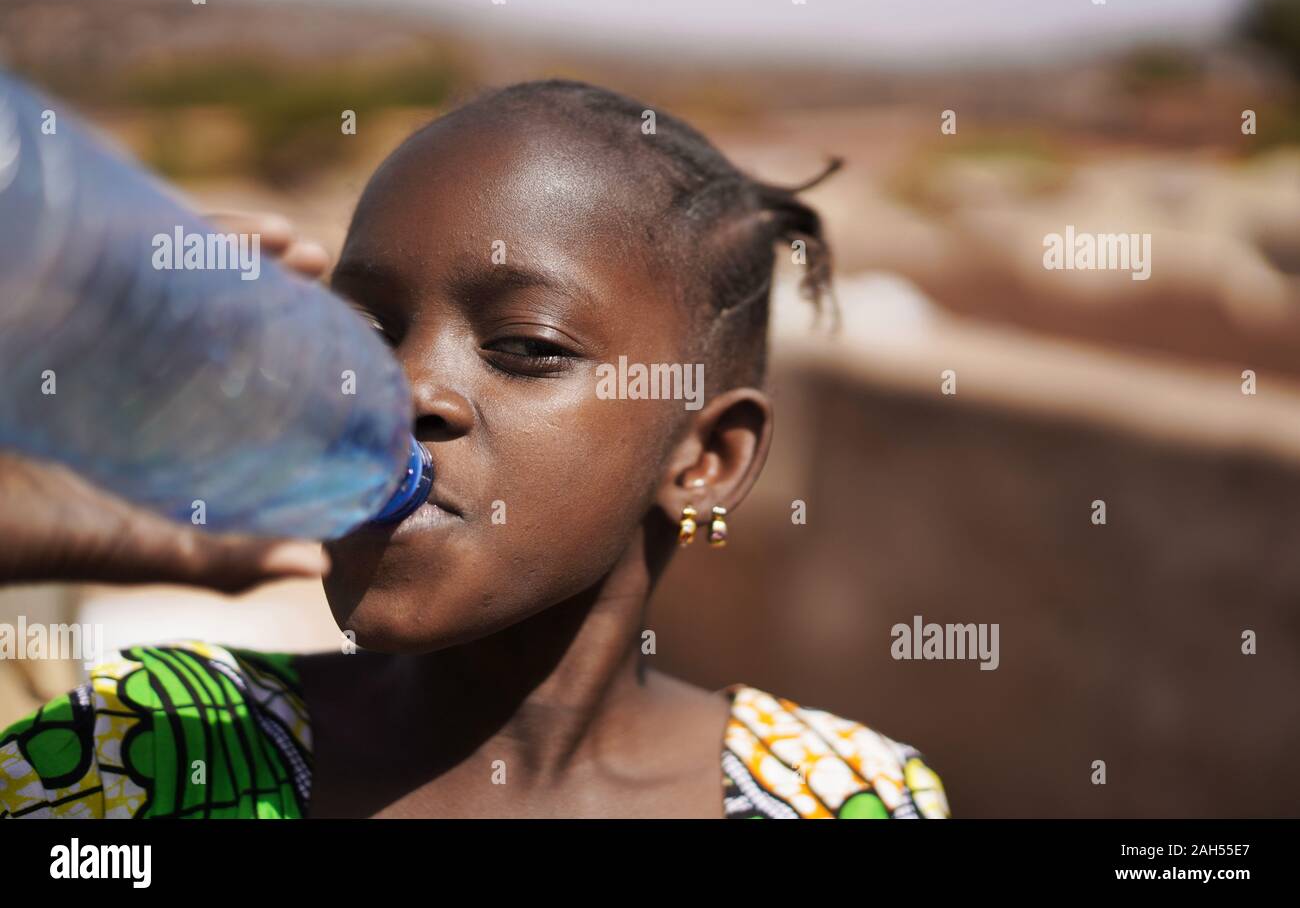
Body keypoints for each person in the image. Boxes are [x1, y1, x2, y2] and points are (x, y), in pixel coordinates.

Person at [0, 80, 950, 819]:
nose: (406, 390)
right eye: (364, 333)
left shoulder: (840, 793)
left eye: (527, 348)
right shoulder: (146, 751)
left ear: (706, 460)